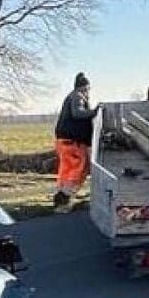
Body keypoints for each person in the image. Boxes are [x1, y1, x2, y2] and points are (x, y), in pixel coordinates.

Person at [53, 72, 99, 209]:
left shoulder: (70, 96)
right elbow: (77, 113)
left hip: (64, 141)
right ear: (84, 87)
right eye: (87, 89)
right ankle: (65, 197)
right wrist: (94, 112)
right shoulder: (78, 96)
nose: (88, 92)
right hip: (73, 142)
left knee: (66, 170)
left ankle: (60, 197)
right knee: (78, 169)